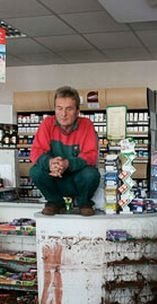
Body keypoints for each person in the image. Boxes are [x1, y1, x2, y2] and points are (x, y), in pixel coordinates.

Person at [29, 86, 100, 216]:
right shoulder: (47, 124)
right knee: (36, 171)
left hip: (76, 179)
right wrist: (50, 163)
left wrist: (67, 164)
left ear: (77, 111)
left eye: (69, 109)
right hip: (55, 179)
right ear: (55, 108)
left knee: (91, 174)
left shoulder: (86, 125)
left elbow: (91, 155)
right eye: (59, 108)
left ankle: (84, 202)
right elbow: (36, 152)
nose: (63, 114)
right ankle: (55, 202)